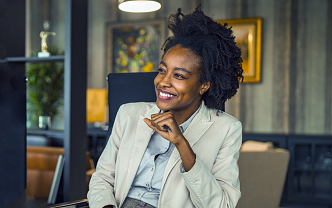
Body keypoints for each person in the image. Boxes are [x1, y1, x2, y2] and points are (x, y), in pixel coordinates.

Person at [87, 5, 243, 208]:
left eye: (179, 75)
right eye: (162, 70)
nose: (163, 82)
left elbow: (221, 205)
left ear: (204, 85)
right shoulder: (128, 114)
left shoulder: (227, 129)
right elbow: (102, 179)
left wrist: (182, 144)